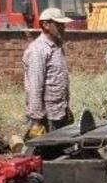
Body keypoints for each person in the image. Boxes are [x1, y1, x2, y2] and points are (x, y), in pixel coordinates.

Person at [24, 7, 73, 138]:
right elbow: (35, 87)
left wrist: (66, 108)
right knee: (48, 155)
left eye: (63, 24)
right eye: (59, 24)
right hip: (47, 118)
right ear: (46, 25)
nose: (63, 27)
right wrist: (36, 121)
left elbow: (58, 80)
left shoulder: (57, 46)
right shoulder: (38, 50)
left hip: (59, 112)